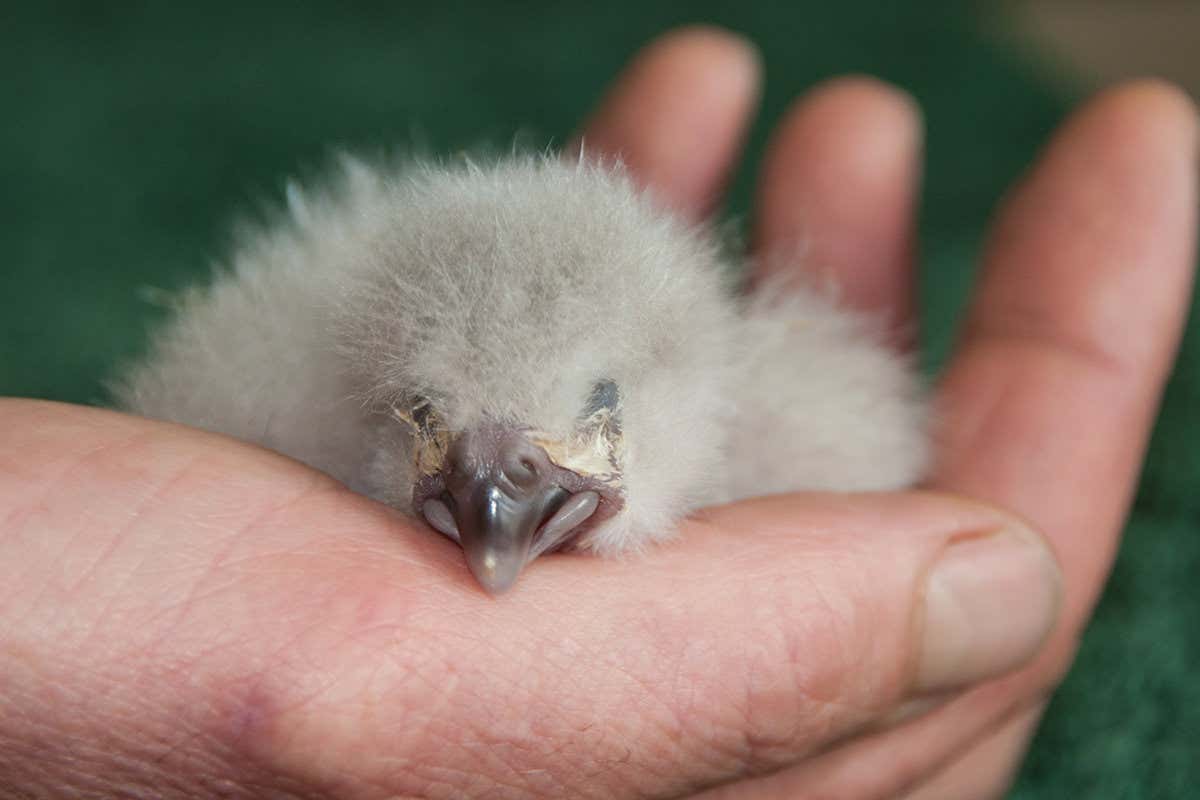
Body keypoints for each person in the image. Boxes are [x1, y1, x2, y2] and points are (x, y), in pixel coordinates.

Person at [0, 26, 1194, 799]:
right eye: (430, 419)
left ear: (679, 370)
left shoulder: (803, 421)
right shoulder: (256, 404)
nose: (497, 495)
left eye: (597, 406)